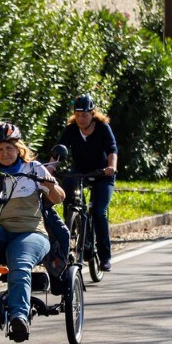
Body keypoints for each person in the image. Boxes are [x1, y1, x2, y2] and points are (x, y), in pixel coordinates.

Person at [0, 122, 65, 343]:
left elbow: (58, 198)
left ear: (18, 148)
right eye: (0, 149)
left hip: (31, 233)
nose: (5, 153)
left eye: (9, 148)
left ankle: (19, 317)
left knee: (20, 262)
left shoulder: (34, 168)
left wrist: (50, 184)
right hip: (2, 232)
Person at [56, 94, 118, 272]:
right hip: (80, 171)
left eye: (84, 115)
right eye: (77, 115)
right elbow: (59, 149)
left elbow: (112, 149)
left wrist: (111, 167)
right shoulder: (71, 129)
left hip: (102, 173)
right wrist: (51, 168)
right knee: (67, 187)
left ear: (92, 114)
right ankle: (73, 224)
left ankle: (105, 257)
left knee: (99, 212)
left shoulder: (102, 128)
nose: (81, 119)